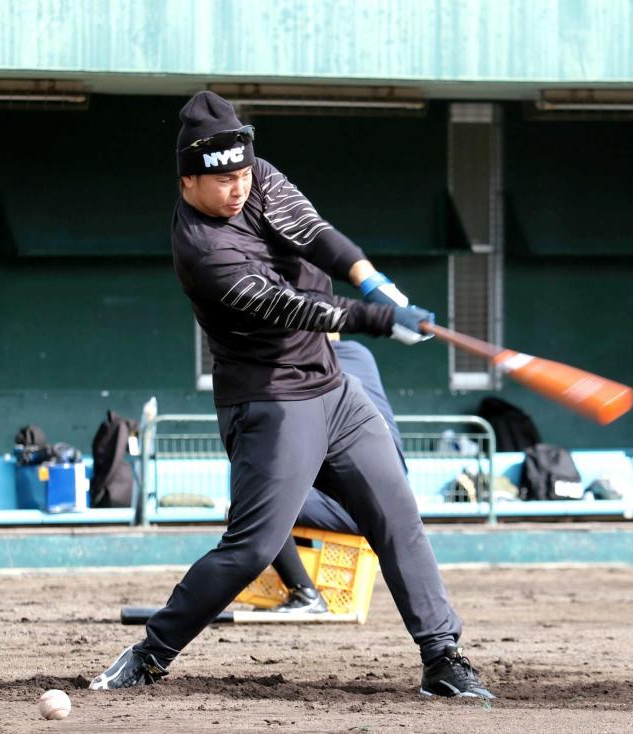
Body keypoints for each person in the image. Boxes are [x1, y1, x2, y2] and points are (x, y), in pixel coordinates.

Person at [89, 91, 493, 699]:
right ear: (188, 180)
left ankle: (442, 657)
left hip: (335, 390)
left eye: (244, 173)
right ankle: (152, 652)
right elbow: (293, 308)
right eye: (223, 179)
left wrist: (373, 280)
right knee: (251, 549)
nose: (238, 188)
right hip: (272, 403)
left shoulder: (257, 177)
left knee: (397, 514)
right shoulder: (204, 252)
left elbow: (316, 234)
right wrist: (380, 320)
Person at [268, 338, 402, 616]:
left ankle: (305, 593)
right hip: (397, 496)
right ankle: (306, 588)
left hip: (360, 502)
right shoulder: (359, 353)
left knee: (254, 508)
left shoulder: (305, 368)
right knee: (284, 501)